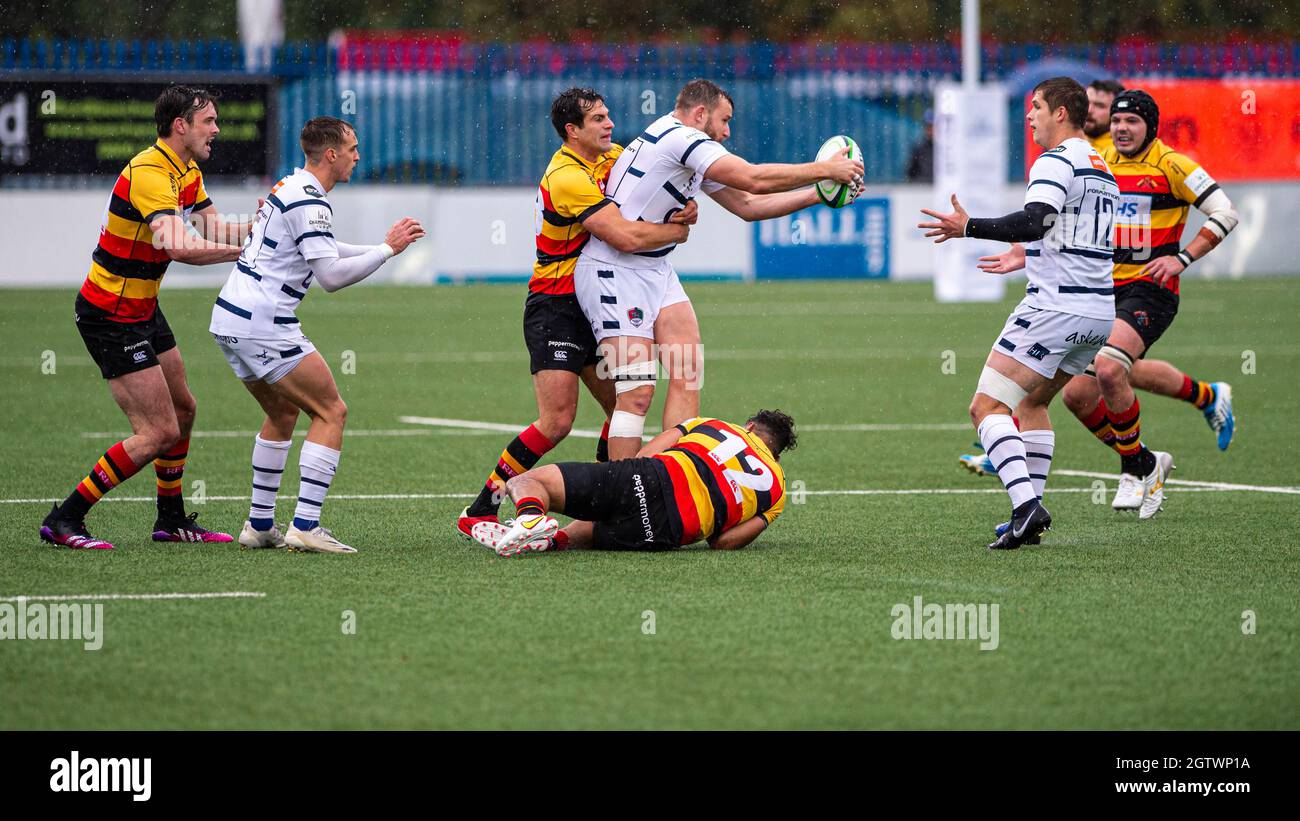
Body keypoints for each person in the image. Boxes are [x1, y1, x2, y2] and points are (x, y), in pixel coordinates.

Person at [977, 90, 1240, 519]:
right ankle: (1184, 420)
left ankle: (1134, 467)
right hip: (1102, 290)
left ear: (1150, 127)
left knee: (1111, 367)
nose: (1120, 127)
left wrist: (1182, 258)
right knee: (1078, 396)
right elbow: (1076, 228)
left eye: (1132, 121)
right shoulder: (1100, 164)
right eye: (1116, 120)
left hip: (1150, 290)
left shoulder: (1171, 165)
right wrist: (1026, 254)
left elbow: (1225, 213)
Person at [575, 78, 864, 461]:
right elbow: (752, 178)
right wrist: (824, 169)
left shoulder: (685, 147)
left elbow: (747, 204)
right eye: (724, 121)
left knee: (687, 372)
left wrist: (819, 193)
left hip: (655, 268)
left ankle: (672, 477)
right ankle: (621, 498)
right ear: (700, 114)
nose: (727, 132)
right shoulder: (679, 137)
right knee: (637, 392)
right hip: (613, 270)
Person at [456, 87, 698, 539]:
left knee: (627, 404)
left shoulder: (613, 157)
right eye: (598, 119)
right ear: (572, 131)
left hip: (596, 299)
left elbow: (652, 196)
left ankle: (608, 504)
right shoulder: (566, 175)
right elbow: (624, 236)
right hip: (556, 306)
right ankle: (481, 508)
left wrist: (684, 208)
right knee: (557, 421)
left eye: (609, 116)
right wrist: (675, 232)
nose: (609, 124)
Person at [41, 85, 252, 550]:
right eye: (209, 121)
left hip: (142, 307)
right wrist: (246, 252)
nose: (217, 129)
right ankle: (65, 518)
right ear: (181, 125)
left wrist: (266, 223)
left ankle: (170, 520)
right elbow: (177, 245)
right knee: (158, 431)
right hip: (110, 314)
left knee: (184, 409)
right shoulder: (152, 173)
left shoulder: (186, 169)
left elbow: (212, 227)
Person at [919, 77, 1119, 549]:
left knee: (986, 407)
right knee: (1032, 405)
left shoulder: (1055, 160)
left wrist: (968, 226)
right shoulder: (1101, 168)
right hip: (1096, 312)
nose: (1029, 116)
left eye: (1036, 107)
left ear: (1061, 114)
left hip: (1054, 309)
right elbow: (1074, 239)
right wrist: (1028, 257)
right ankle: (1027, 514)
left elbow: (1035, 220)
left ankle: (1027, 505)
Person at [210, 116, 425, 554]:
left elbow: (325, 248)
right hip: (264, 324)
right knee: (332, 411)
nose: (357, 156)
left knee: (284, 412)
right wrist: (387, 251)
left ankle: (259, 525)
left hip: (230, 319)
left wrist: (381, 246)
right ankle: (306, 525)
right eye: (352, 148)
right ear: (331, 154)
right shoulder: (312, 201)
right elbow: (330, 275)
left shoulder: (290, 186)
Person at [470, 410, 795, 557]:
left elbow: (651, 452)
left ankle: (529, 517)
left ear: (749, 426)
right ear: (776, 457)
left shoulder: (716, 425)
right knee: (600, 529)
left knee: (528, 481)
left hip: (649, 479)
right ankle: (551, 541)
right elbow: (723, 543)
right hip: (667, 534)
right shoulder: (777, 491)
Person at [905, 109, 935, 182]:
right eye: (928, 126)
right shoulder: (919, 148)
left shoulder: (946, 149)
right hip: (923, 189)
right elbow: (910, 173)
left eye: (932, 126)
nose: (930, 130)